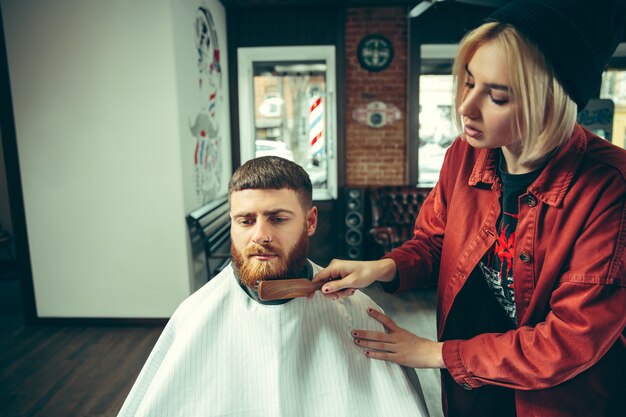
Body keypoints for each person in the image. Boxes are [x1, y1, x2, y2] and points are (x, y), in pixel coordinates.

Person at [313, 1, 626, 416]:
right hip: (474, 390)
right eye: (469, 82)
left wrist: (434, 353)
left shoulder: (609, 188)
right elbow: (435, 242)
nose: (466, 107)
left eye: (496, 96)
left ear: (547, 103)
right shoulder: (465, 155)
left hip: (556, 400)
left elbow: (570, 340)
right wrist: (380, 267)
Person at [117, 156, 429, 417]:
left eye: (277, 219)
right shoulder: (195, 314)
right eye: (245, 220)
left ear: (310, 222)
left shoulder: (356, 310)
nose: (260, 235)